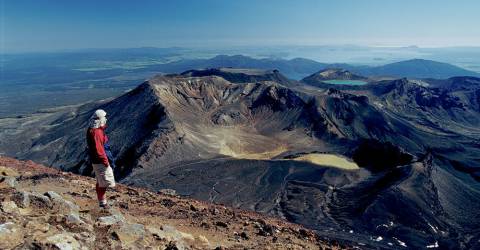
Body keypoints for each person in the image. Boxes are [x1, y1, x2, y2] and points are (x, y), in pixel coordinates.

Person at [86, 109, 116, 208]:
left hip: (97, 160)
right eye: (104, 118)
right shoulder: (97, 132)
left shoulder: (92, 130)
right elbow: (100, 150)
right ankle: (103, 203)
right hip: (100, 161)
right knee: (104, 182)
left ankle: (102, 201)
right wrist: (106, 162)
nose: (106, 119)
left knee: (100, 181)